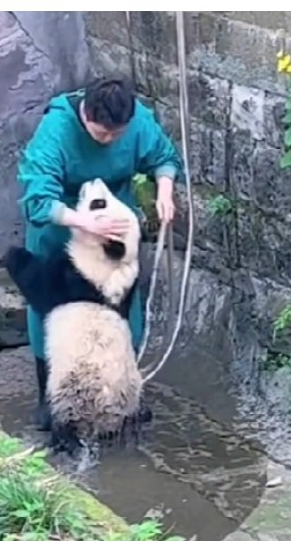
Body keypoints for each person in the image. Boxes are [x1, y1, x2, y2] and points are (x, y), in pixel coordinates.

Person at [16, 77, 184, 431]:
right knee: (56, 318)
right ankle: (52, 398)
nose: (108, 140)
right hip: (62, 229)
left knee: (122, 315)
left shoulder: (135, 120)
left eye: (116, 135)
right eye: (101, 133)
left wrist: (164, 190)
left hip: (113, 236)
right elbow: (38, 197)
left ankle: (123, 392)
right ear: (85, 112)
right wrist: (83, 222)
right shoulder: (57, 129)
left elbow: (163, 157)